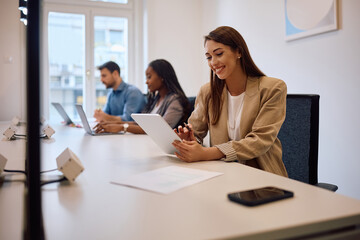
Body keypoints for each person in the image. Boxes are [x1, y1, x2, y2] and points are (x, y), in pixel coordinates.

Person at [172, 26, 288, 177]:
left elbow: (259, 141)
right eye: (208, 57)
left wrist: (208, 153)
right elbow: (197, 131)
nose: (213, 62)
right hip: (222, 174)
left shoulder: (273, 88)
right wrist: (189, 140)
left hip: (261, 177)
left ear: (238, 52)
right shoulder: (207, 92)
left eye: (219, 54)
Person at [94, 59, 190, 134]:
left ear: (162, 77)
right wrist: (114, 124)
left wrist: (122, 127)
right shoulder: (155, 99)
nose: (146, 82)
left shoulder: (175, 101)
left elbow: (160, 130)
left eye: (149, 77)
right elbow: (140, 123)